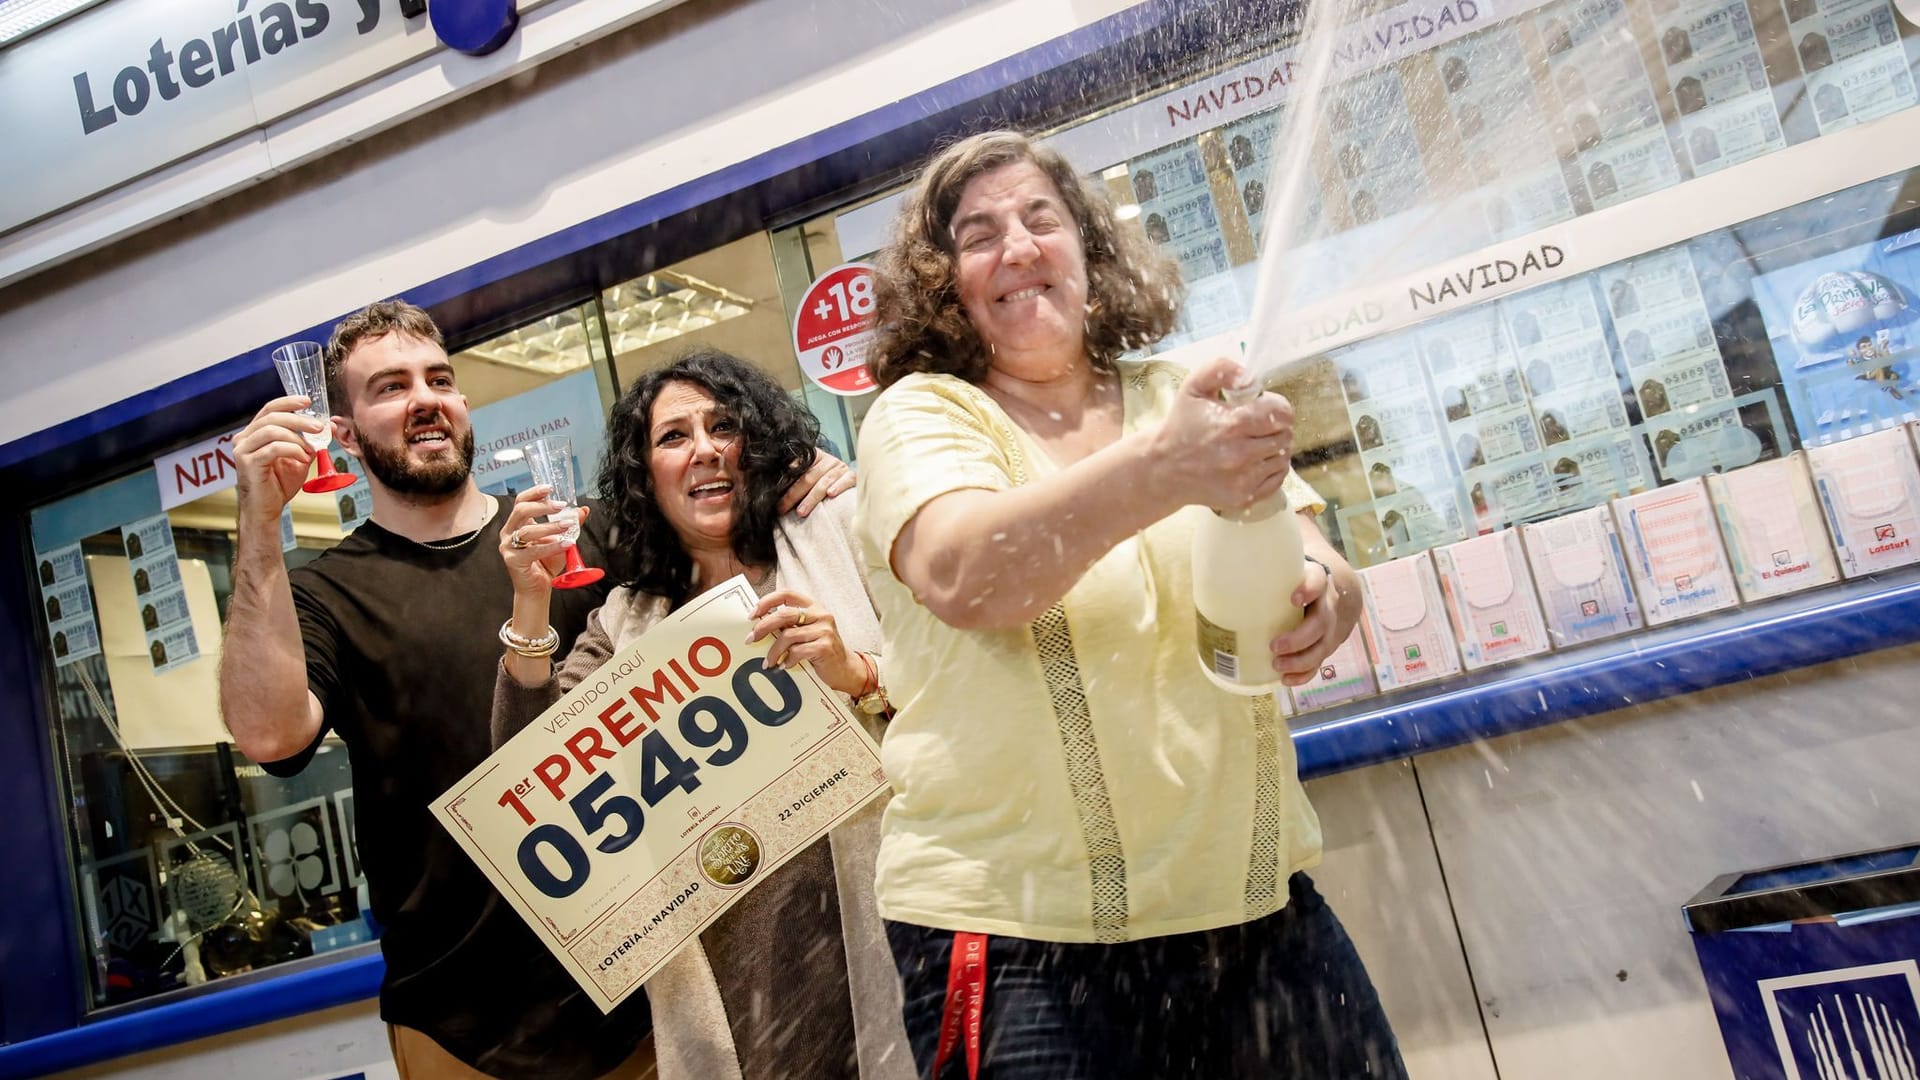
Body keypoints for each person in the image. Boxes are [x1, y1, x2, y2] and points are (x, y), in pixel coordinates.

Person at [858, 131, 1406, 1079]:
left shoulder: (1175, 394)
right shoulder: (923, 415)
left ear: (1089, 250)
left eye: (1042, 220)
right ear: (942, 281)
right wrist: (1164, 468)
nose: (1019, 250)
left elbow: (1319, 556)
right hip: (1022, 942)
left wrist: (1329, 598)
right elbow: (969, 579)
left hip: (1253, 910)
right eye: (979, 235)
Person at [220, 300, 851, 1080]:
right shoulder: (323, 594)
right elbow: (269, 735)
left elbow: (727, 562)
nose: (425, 399)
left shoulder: (594, 544)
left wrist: (801, 478)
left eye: (439, 379)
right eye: (389, 387)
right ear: (342, 432)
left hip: (643, 986)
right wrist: (258, 526)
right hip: (459, 1011)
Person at [492, 349, 912, 1080]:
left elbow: (958, 677)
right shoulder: (625, 622)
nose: (706, 449)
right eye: (673, 437)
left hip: (890, 927)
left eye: (724, 425)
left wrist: (860, 674)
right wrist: (530, 604)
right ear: (643, 476)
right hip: (740, 984)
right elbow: (531, 780)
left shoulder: (839, 529)